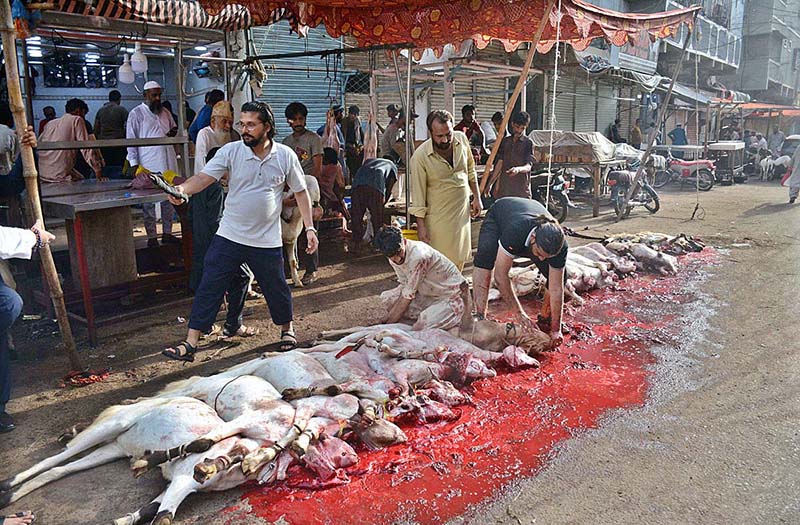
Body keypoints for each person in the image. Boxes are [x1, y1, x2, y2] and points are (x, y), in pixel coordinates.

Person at [163, 101, 317, 360]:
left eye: (251, 125)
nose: (244, 130)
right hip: (230, 234)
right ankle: (190, 342)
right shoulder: (231, 151)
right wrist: (182, 191)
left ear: (267, 127)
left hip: (266, 238)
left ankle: (287, 330)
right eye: (242, 124)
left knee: (276, 287)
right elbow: (203, 178)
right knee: (209, 284)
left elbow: (301, 192)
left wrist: (310, 228)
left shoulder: (285, 155)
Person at [471, 197, 567, 348]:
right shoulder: (515, 231)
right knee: (485, 257)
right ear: (533, 238)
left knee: (561, 276)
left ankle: (546, 317)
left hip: (530, 217)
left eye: (546, 257)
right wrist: (519, 313)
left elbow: (557, 288)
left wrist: (556, 329)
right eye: (539, 253)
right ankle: (480, 314)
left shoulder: (560, 246)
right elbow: (500, 276)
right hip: (500, 214)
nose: (541, 258)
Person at [188, 146, 256, 337]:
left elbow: (190, 216)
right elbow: (216, 221)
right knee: (243, 277)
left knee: (209, 284)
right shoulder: (216, 188)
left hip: (201, 244)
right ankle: (234, 324)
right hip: (219, 244)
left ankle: (207, 327)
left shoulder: (197, 188)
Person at [409, 109, 483, 271]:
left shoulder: (461, 139)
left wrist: (477, 197)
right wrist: (421, 226)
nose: (445, 140)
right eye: (439, 136)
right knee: (439, 266)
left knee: (460, 260)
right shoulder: (420, 157)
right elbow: (418, 196)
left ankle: (454, 293)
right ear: (431, 133)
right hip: (438, 220)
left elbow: (470, 169)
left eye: (448, 134)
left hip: (462, 215)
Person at [373, 226, 469, 331]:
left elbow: (407, 296)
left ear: (404, 241)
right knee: (388, 298)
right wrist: (388, 318)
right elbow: (405, 286)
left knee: (421, 326)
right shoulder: (392, 257)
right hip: (428, 293)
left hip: (452, 298)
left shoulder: (419, 256)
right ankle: (417, 320)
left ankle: (453, 318)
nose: (397, 259)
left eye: (399, 252)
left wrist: (387, 325)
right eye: (391, 256)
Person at [126, 80, 180, 248]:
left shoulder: (165, 112)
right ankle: (151, 236)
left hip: (168, 161)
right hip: (148, 162)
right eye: (154, 95)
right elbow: (131, 140)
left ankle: (167, 232)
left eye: (159, 95)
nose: (157, 98)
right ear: (145, 96)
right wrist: (134, 163)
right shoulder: (136, 114)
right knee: (148, 202)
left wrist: (172, 133)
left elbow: (173, 128)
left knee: (169, 197)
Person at [38, 98, 104, 183]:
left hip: (43, 173)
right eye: (84, 114)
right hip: (59, 176)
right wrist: (98, 171)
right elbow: (86, 148)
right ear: (78, 111)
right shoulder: (77, 120)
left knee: (80, 177)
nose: (84, 117)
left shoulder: (50, 123)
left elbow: (38, 145)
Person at [350, 157, 397, 253]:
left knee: (356, 216)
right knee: (377, 218)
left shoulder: (369, 161)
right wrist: (382, 204)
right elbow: (389, 188)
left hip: (357, 183)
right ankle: (378, 245)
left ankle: (356, 243)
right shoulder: (392, 165)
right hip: (375, 182)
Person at [490, 111, 535, 199]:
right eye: (517, 127)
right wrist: (491, 184)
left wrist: (518, 169)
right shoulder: (505, 142)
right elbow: (500, 164)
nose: (519, 130)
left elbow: (528, 166)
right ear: (512, 124)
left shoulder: (528, 143)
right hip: (505, 190)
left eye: (522, 128)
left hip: (521, 191)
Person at [194, 101, 239, 173]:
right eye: (224, 122)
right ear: (213, 121)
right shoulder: (205, 134)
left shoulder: (234, 135)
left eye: (230, 122)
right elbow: (201, 164)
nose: (228, 126)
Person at [283, 101, 323, 180]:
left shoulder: (314, 139)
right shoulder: (286, 142)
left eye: (301, 119)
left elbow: (317, 169)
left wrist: (304, 185)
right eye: (294, 119)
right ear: (288, 121)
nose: (298, 123)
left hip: (309, 183)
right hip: (292, 184)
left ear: (305, 119)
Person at [93, 90, 129, 179]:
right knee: (119, 168)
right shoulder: (121, 110)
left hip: (103, 145)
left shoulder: (100, 111)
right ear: (119, 99)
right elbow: (130, 125)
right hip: (119, 144)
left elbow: (96, 128)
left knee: (106, 167)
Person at [342, 105, 364, 177]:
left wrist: (363, 145)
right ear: (349, 114)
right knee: (352, 160)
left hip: (356, 146)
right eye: (352, 114)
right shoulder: (345, 122)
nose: (353, 116)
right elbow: (343, 136)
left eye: (355, 115)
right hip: (348, 146)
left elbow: (361, 134)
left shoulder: (357, 122)